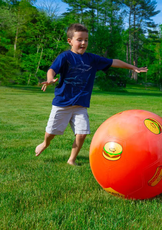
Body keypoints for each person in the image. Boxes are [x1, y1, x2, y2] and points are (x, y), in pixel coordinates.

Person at [35, 23, 148, 165]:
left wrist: (133, 67)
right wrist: (50, 79)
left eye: (86, 40)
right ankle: (45, 143)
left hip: (80, 105)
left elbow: (113, 62)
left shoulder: (92, 59)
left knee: (82, 134)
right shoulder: (65, 57)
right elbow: (52, 70)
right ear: (70, 41)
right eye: (79, 39)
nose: (83, 43)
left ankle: (71, 160)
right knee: (51, 133)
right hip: (62, 103)